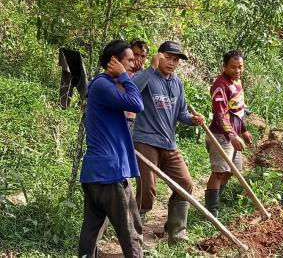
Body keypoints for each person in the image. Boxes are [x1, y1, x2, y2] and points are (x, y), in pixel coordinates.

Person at [131, 41, 204, 245]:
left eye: (176, 60)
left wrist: (193, 119)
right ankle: (133, 236)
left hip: (169, 143)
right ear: (159, 56)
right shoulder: (146, 76)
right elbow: (131, 90)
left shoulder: (177, 83)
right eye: (168, 58)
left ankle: (176, 234)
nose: (172, 63)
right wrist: (151, 67)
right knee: (147, 191)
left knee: (185, 184)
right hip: (145, 141)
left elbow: (181, 112)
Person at [78, 40, 144, 258]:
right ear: (114, 62)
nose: (134, 65)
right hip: (110, 173)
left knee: (92, 232)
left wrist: (124, 77)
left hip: (98, 173)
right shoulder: (103, 85)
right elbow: (137, 104)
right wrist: (125, 77)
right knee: (131, 231)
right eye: (129, 61)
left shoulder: (102, 86)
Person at [204, 51, 252, 218]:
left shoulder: (237, 82)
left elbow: (239, 110)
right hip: (221, 136)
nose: (237, 70)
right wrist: (233, 136)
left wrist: (244, 130)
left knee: (230, 171)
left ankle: (216, 202)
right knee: (219, 171)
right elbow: (220, 114)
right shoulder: (220, 85)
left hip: (235, 134)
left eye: (240, 67)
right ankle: (211, 211)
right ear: (224, 67)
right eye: (233, 67)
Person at [126, 40, 149, 132]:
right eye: (136, 54)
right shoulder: (120, 71)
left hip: (138, 123)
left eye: (142, 56)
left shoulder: (147, 74)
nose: (139, 58)